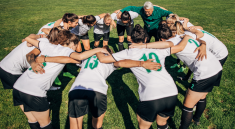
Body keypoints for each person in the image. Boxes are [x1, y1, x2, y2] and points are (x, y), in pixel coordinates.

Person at [94, 24, 195, 129]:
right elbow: (180, 47)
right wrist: (187, 37)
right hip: (171, 92)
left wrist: (97, 49)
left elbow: (103, 60)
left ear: (130, 39)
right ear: (146, 39)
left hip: (151, 95)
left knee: (143, 125)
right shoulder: (158, 49)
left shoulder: (128, 52)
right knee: (162, 123)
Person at [35, 45, 161, 129]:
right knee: (97, 124)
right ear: (109, 53)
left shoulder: (86, 58)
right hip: (97, 91)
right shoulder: (110, 61)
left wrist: (45, 58)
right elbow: (123, 63)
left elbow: (67, 59)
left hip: (77, 89)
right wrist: (142, 64)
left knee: (75, 124)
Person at [12, 30, 110, 129]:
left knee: (33, 120)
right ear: (72, 43)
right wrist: (98, 50)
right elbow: (79, 57)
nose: (75, 48)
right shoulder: (67, 51)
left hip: (18, 86)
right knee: (45, 125)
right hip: (33, 92)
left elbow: (28, 41)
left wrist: (33, 63)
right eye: (76, 45)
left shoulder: (47, 45)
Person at [131, 24, 223, 129]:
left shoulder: (174, 42)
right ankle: (196, 119)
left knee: (187, 106)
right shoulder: (183, 35)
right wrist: (204, 44)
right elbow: (200, 36)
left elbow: (167, 44)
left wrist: (143, 46)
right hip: (216, 66)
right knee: (202, 96)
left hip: (205, 73)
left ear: (161, 39)